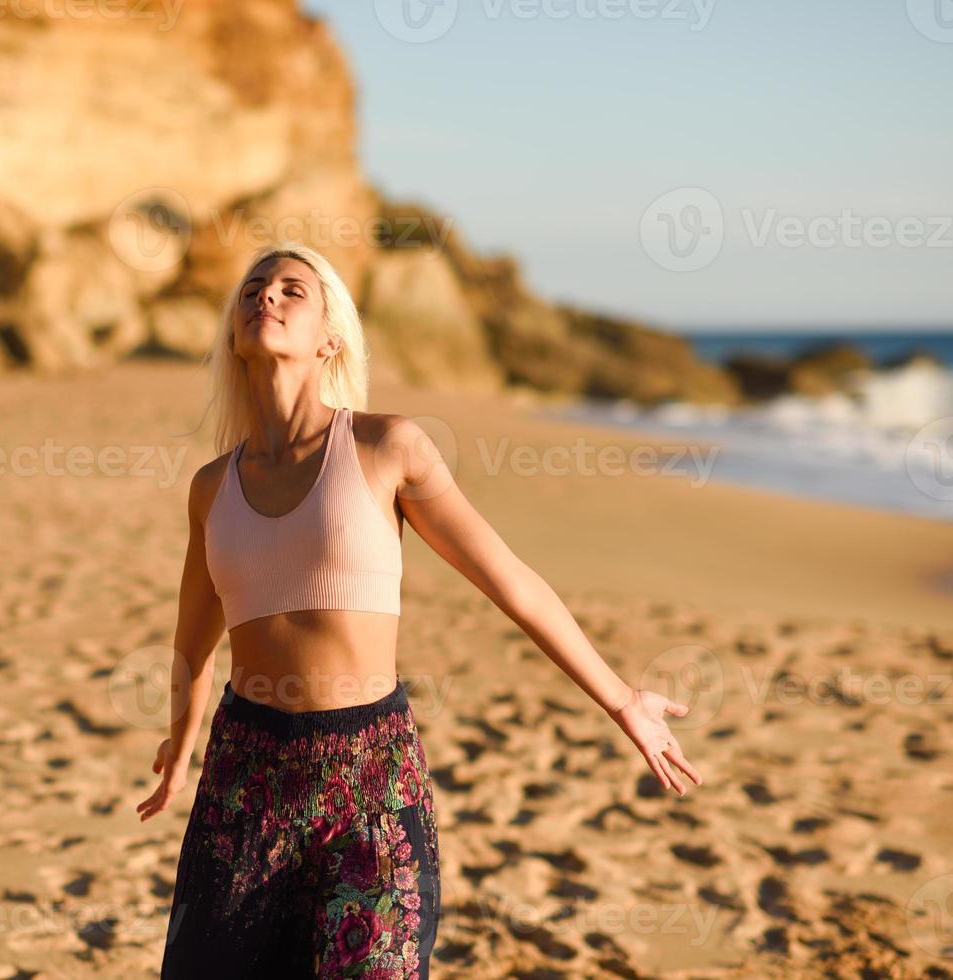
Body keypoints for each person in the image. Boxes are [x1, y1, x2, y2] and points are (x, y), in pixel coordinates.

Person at [136, 241, 703, 979]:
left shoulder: (385, 446)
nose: (264, 299)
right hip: (247, 775)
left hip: (370, 771)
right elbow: (192, 640)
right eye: (251, 291)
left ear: (328, 337)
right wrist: (181, 746)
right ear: (233, 335)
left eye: (290, 290)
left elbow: (509, 579)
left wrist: (621, 699)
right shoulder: (212, 487)